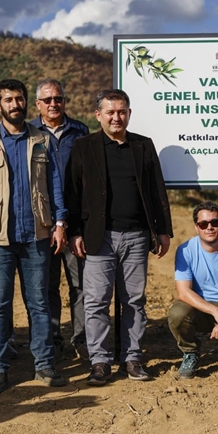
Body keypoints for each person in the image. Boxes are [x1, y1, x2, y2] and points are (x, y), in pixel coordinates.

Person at [65, 88, 173, 386]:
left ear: (129, 113)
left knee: (135, 300)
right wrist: (74, 232)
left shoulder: (143, 146)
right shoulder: (83, 147)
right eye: (110, 112)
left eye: (122, 111)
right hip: (99, 237)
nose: (117, 117)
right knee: (96, 301)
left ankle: (133, 358)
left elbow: (157, 191)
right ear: (98, 115)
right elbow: (72, 194)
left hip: (137, 236)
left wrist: (162, 230)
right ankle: (100, 361)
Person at [0, 79, 69, 392]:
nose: (15, 104)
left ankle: (44, 366)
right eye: (8, 100)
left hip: (36, 234)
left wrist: (60, 223)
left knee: (38, 303)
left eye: (19, 99)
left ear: (26, 103)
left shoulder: (41, 140)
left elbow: (54, 185)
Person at [29, 79, 90, 360]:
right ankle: (52, 339)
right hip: (42, 223)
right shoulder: (29, 133)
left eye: (58, 98)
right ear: (38, 104)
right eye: (48, 99)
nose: (54, 104)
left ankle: (81, 339)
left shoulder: (80, 131)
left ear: (65, 101)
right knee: (46, 285)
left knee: (79, 284)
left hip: (75, 223)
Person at [169, 201, 218, 379]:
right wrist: (216, 312)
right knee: (177, 314)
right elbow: (183, 292)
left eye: (215, 222)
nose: (209, 227)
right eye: (203, 224)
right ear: (196, 227)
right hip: (200, 306)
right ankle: (190, 352)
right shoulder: (185, 251)